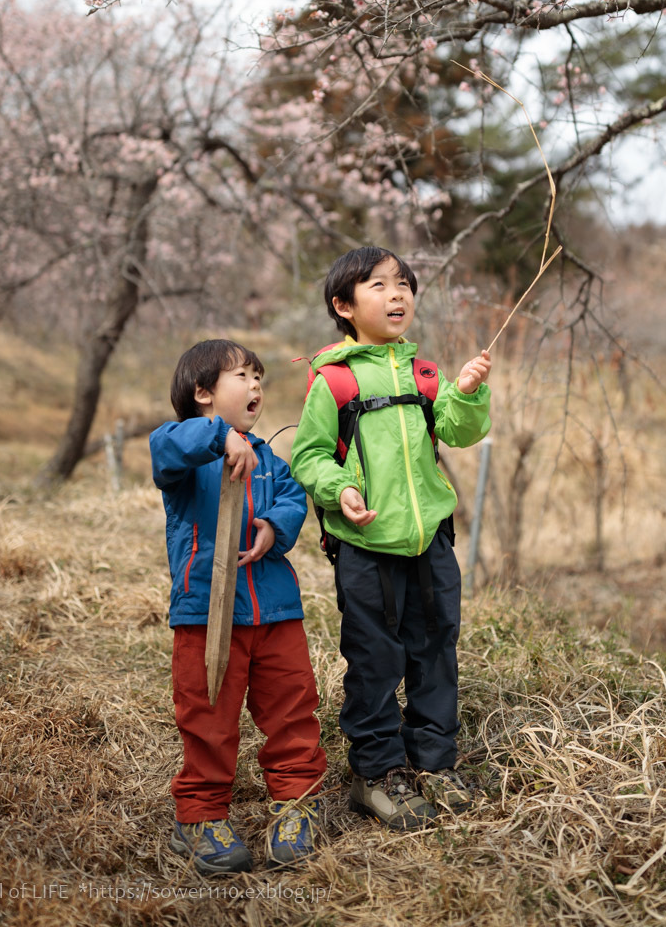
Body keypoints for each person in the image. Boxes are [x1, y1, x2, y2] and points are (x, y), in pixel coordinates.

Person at [290, 246, 491, 831]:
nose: (397, 293)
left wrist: (469, 390)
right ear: (343, 305)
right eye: (377, 285)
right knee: (375, 660)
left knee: (435, 651)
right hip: (367, 545)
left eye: (403, 283)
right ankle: (375, 774)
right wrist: (339, 489)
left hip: (430, 541)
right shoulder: (336, 380)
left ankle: (434, 762)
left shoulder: (425, 375)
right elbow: (308, 454)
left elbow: (458, 430)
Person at [150, 339, 326, 874]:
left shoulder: (270, 458)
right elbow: (167, 447)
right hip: (206, 613)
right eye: (242, 376)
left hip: (274, 611)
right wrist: (220, 436)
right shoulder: (184, 450)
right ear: (203, 393)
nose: (256, 386)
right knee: (208, 714)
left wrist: (276, 524)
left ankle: (296, 801)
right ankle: (200, 814)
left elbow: (293, 496)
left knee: (292, 707)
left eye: (259, 377)